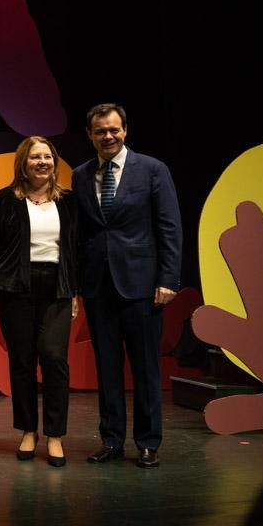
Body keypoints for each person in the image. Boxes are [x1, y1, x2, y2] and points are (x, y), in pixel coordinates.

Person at [74, 103, 181, 468]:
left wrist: (168, 278)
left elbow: (169, 227)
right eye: (100, 131)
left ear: (125, 131)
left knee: (146, 368)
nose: (108, 137)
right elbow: (82, 233)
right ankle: (112, 440)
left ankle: (149, 442)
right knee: (106, 368)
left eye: (114, 130)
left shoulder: (152, 169)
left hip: (142, 284)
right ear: (89, 134)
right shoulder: (81, 174)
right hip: (98, 286)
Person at [0, 136, 80, 467]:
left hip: (57, 288)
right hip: (14, 289)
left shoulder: (67, 202)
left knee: (54, 358)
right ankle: (27, 430)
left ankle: (54, 434)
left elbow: (75, 251)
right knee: (22, 362)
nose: (42, 162)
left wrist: (74, 292)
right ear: (23, 162)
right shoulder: (5, 201)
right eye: (35, 157)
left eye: (47, 157)